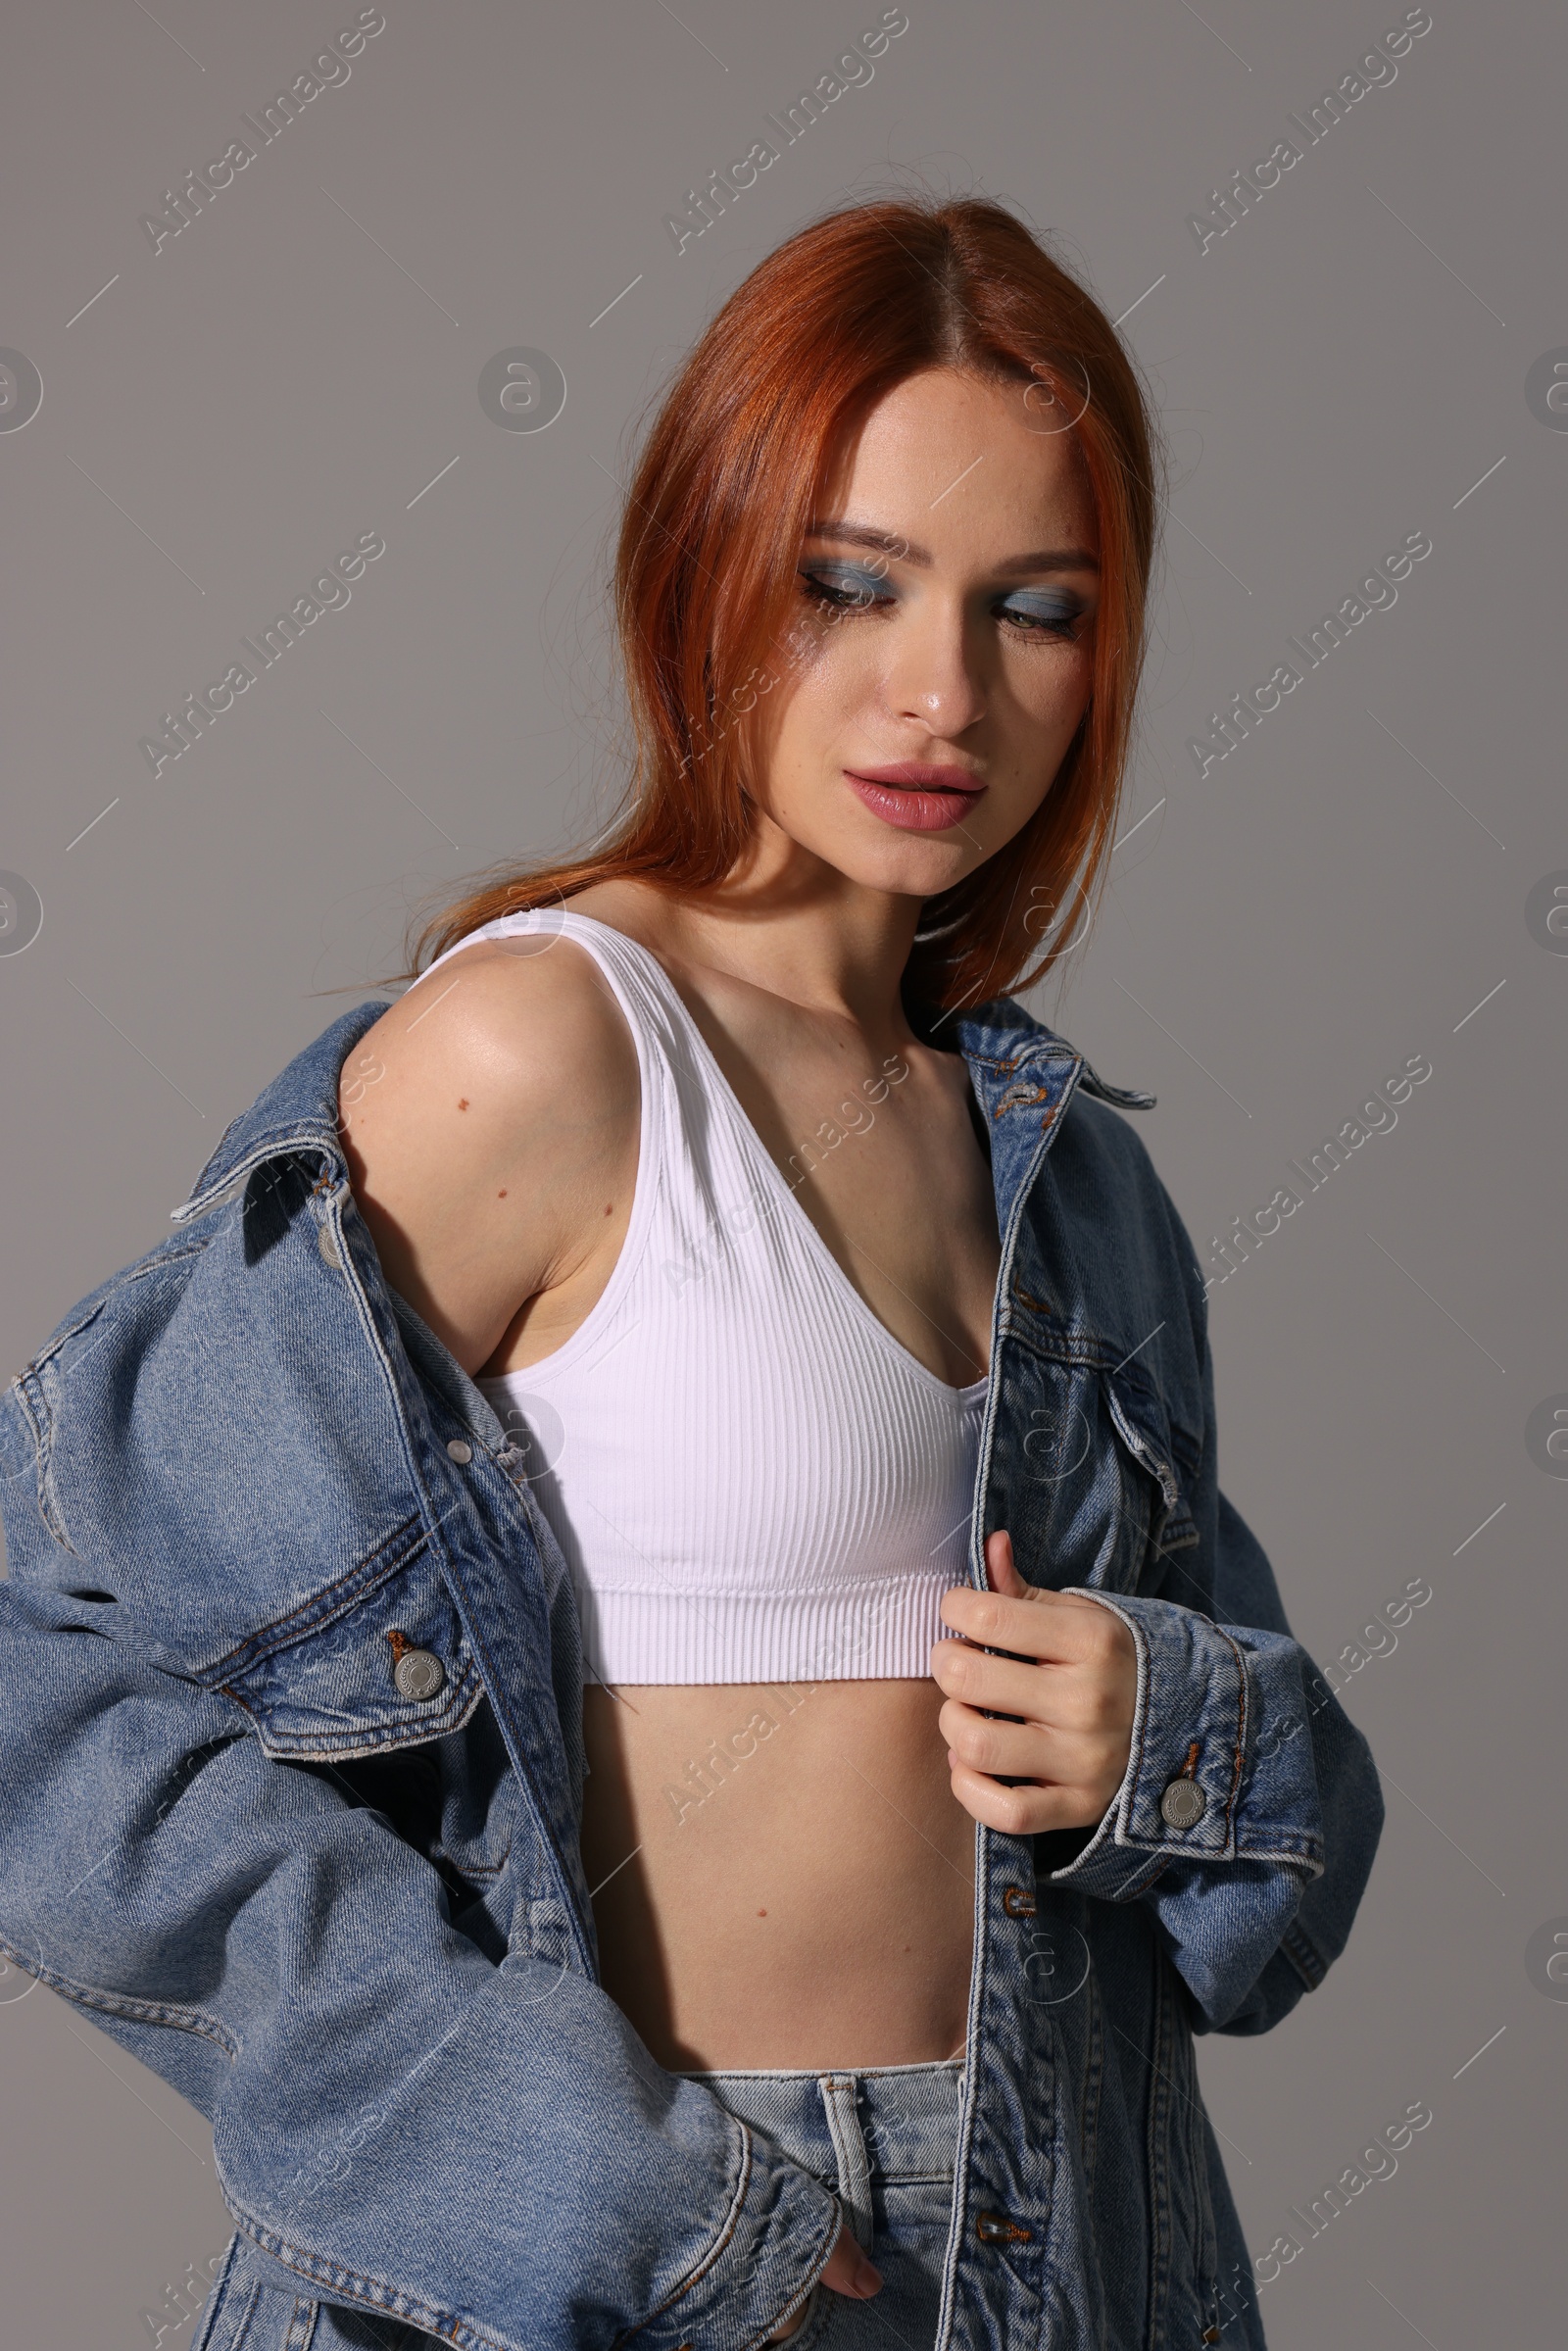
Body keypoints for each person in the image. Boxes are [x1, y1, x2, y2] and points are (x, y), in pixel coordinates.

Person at [0, 198, 1383, 2351]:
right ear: (708, 561)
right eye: (850, 585)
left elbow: (1272, 1913)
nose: (939, 691)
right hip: (642, 2269)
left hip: (1068, 2246)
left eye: (1033, 610)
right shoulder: (541, 1051)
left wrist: (1168, 1730)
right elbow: (40, 1654)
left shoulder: (1075, 1184)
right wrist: (551, 2165)